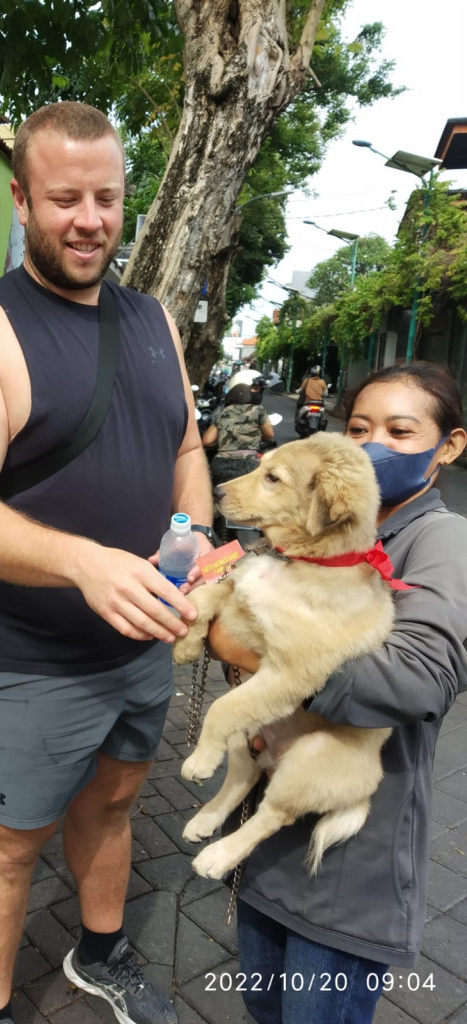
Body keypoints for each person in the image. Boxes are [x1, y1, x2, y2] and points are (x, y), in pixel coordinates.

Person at [0, 101, 213, 1024]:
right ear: (20, 200)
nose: (89, 220)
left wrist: (191, 536)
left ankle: (99, 950)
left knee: (117, 804)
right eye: (63, 200)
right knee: (7, 845)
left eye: (106, 198)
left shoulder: (154, 318)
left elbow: (188, 448)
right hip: (27, 659)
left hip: (138, 646)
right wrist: (86, 563)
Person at [205, 361, 467, 1023]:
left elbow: (421, 677)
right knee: (264, 1010)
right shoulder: (318, 531)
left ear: (450, 446)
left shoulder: (443, 539)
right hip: (267, 851)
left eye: (400, 431)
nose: (370, 445)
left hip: (349, 872)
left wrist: (257, 648)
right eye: (358, 427)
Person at [202, 382, 275, 483]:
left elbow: (206, 441)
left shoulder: (224, 412)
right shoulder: (258, 410)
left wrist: (222, 439)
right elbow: (269, 435)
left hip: (221, 466)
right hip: (249, 465)